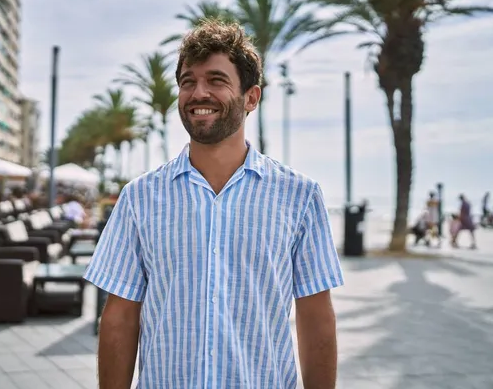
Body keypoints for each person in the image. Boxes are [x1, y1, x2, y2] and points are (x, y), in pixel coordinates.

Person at [84, 21, 344, 389]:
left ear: (251, 97)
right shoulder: (139, 198)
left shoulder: (299, 196)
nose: (198, 93)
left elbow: (316, 316)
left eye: (216, 80)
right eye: (188, 81)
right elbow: (120, 317)